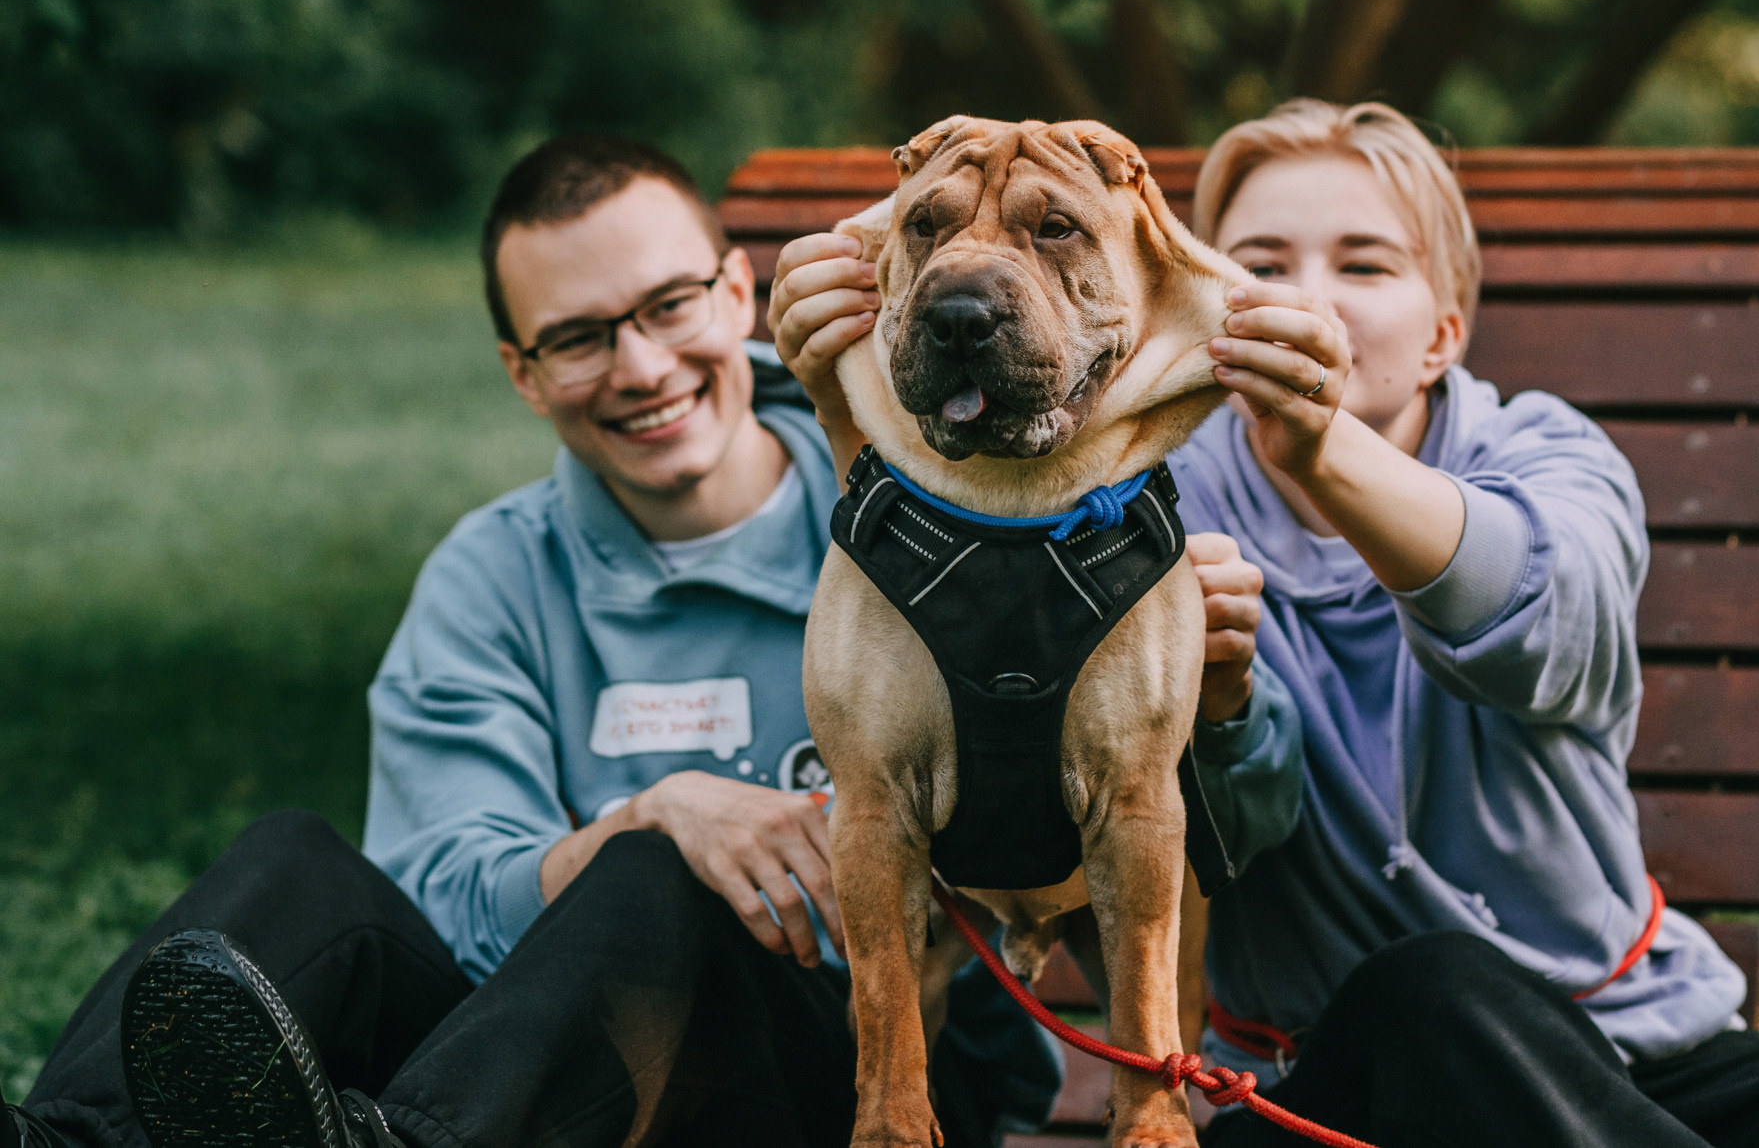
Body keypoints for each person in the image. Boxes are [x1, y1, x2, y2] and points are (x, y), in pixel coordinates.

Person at [2, 131, 1299, 1148]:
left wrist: (1218, 695)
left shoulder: (958, 521)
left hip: (847, 1076)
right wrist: (652, 817)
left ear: (737, 290)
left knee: (663, 889)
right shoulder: (493, 576)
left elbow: (1170, 814)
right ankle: (64, 1141)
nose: (638, 364)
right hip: (546, 1078)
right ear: (523, 371)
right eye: (576, 337)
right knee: (291, 865)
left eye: (668, 305)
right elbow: (434, 894)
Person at [769, 100, 1759, 1148]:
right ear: (1190, 292)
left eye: (1361, 263)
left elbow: (1543, 630)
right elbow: (1174, 813)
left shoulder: (1544, 452)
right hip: (1331, 1087)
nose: (1305, 294)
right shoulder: (1125, 513)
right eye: (1264, 257)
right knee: (1425, 992)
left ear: (1443, 329)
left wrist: (1321, 443)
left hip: (1639, 1067)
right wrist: (1226, 702)